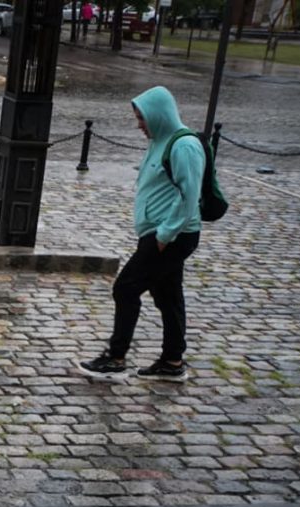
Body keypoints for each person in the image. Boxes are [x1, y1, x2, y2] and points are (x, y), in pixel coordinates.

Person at [79, 86, 205, 383]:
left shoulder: (184, 145)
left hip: (170, 235)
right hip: (160, 233)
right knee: (168, 295)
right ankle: (172, 361)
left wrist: (164, 235)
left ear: (158, 115)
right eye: (138, 118)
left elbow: (189, 195)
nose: (139, 125)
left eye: (142, 119)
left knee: (125, 287)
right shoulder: (159, 141)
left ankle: (116, 357)